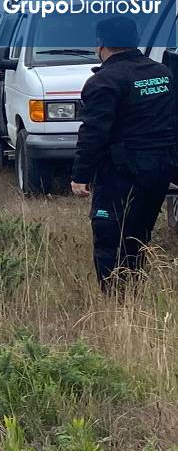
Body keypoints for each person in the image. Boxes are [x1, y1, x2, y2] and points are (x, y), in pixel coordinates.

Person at [71, 16, 178, 292]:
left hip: (122, 172)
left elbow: (94, 132)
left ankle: (115, 298)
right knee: (139, 231)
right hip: (159, 168)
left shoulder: (104, 81)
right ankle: (135, 289)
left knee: (109, 233)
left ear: (101, 43)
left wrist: (80, 175)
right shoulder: (162, 73)